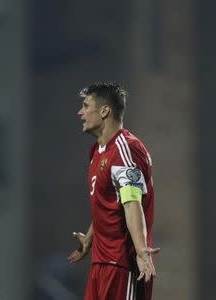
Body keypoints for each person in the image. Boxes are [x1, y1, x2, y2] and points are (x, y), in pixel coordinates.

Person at [67, 82, 160, 300]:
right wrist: (90, 238)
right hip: (101, 263)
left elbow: (131, 201)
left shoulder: (125, 148)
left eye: (85, 105)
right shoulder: (97, 151)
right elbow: (109, 201)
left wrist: (140, 249)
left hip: (122, 265)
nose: (80, 112)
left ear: (105, 111)